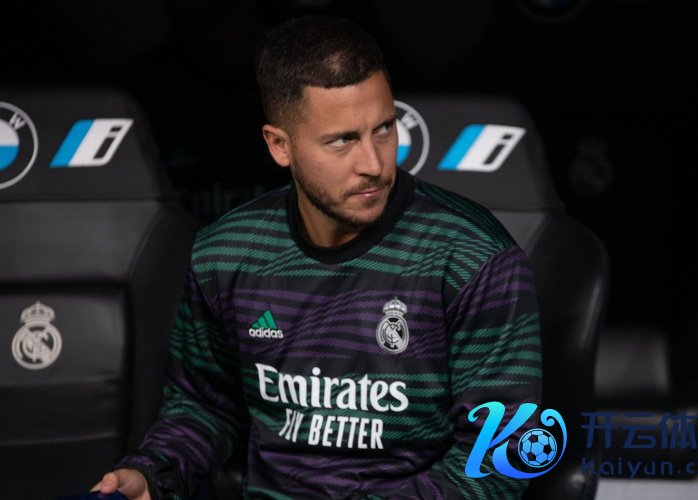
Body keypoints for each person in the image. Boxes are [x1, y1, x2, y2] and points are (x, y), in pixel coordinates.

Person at [93, 15, 541, 499]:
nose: (374, 164)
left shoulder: (473, 256)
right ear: (279, 146)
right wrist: (152, 474)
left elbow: (502, 457)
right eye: (342, 140)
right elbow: (205, 407)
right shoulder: (225, 253)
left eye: (384, 129)